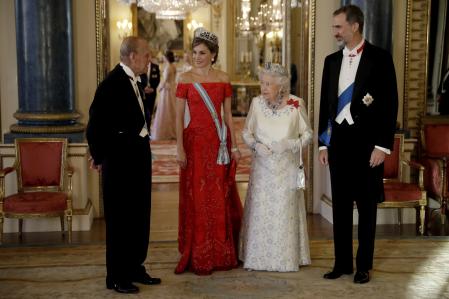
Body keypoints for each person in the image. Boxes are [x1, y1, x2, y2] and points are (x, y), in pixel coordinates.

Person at [318, 5, 398, 284]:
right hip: (338, 142)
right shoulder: (331, 61)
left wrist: (382, 146)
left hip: (367, 146)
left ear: (355, 26)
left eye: (339, 27)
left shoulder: (380, 58)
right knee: (340, 207)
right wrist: (323, 144)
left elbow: (390, 106)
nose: (335, 32)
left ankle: (363, 266)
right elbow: (326, 106)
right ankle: (342, 263)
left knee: (366, 209)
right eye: (334, 27)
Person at [86, 36, 161, 294]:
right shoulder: (111, 83)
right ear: (132, 56)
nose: (149, 59)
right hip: (119, 162)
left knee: (139, 214)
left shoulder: (137, 81)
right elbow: (95, 125)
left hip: (139, 156)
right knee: (120, 219)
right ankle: (116, 276)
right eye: (146, 54)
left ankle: (134, 267)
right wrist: (99, 156)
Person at [175, 28, 243, 275]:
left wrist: (233, 146)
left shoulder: (223, 78)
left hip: (217, 144)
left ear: (213, 54)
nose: (197, 57)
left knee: (217, 194)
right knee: (198, 196)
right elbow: (178, 116)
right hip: (193, 144)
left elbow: (227, 115)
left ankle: (221, 252)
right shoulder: (184, 79)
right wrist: (179, 148)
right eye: (194, 52)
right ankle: (199, 251)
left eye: (202, 53)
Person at [239, 63, 312, 272]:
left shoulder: (295, 104)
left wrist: (291, 144)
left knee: (283, 215)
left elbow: (307, 134)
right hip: (262, 170)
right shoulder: (256, 103)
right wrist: (256, 145)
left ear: (280, 85)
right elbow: (246, 132)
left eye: (268, 84)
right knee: (261, 214)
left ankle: (285, 259)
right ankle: (257, 258)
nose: (263, 87)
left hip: (286, 171)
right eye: (262, 82)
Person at [151, 50, 177, 140]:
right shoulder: (173, 66)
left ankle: (166, 132)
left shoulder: (168, 67)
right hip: (172, 89)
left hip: (167, 91)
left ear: (166, 57)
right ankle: (174, 131)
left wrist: (159, 88)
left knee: (165, 111)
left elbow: (165, 80)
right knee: (172, 110)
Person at [140, 51, 160, 122]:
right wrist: (144, 88)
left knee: (151, 110)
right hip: (143, 92)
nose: (148, 58)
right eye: (146, 56)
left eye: (149, 56)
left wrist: (152, 88)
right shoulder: (141, 66)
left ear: (151, 57)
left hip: (152, 92)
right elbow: (139, 78)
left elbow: (157, 79)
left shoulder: (156, 67)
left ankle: (149, 123)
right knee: (144, 110)